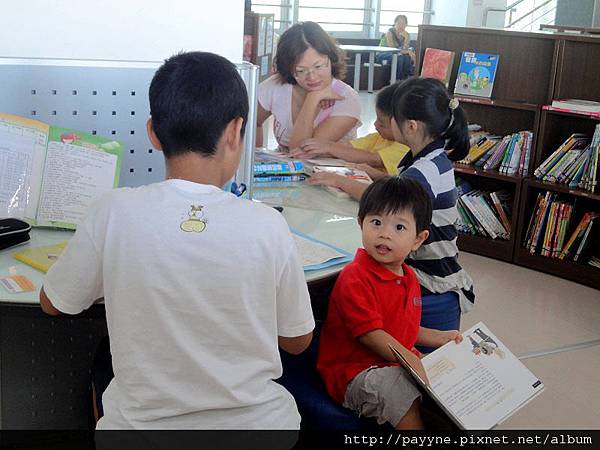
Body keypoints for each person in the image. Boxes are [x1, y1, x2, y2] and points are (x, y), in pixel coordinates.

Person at [39, 51, 315, 431]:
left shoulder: (113, 211)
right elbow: (297, 340)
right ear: (236, 131)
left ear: (153, 132)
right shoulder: (268, 224)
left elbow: (54, 303)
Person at [310, 77, 475, 314]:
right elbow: (404, 187)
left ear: (411, 126)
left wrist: (339, 180)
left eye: (392, 118)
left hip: (426, 274)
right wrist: (377, 176)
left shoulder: (424, 169)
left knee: (336, 286)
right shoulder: (432, 157)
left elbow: (386, 204)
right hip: (430, 263)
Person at [317, 176, 462, 430]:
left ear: (418, 239)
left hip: (393, 363)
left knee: (449, 383)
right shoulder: (355, 277)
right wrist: (412, 360)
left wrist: (439, 337)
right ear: (361, 223)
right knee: (398, 388)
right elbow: (371, 335)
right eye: (376, 222)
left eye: (399, 228)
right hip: (353, 372)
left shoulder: (409, 278)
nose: (384, 233)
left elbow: (402, 327)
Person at [257, 21, 361, 150]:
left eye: (318, 66)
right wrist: (255, 158)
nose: (312, 77)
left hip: (331, 168)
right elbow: (252, 122)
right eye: (301, 70)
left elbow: (301, 151)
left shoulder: (346, 98)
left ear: (331, 58)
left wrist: (312, 99)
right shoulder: (276, 85)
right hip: (284, 166)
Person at [290, 82, 409, 176]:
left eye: (382, 124)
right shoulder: (379, 137)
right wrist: (318, 148)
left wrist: (328, 147)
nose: (375, 125)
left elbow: (373, 160)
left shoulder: (406, 146)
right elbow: (349, 148)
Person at [377, 15, 415, 81]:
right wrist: (407, 51)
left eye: (403, 23)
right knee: (399, 57)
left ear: (406, 25)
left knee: (406, 57)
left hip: (397, 54)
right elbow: (393, 49)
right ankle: (396, 81)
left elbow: (405, 48)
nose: (401, 25)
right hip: (383, 54)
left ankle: (405, 81)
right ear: (395, 23)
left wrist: (406, 38)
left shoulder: (406, 34)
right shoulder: (389, 33)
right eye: (399, 23)